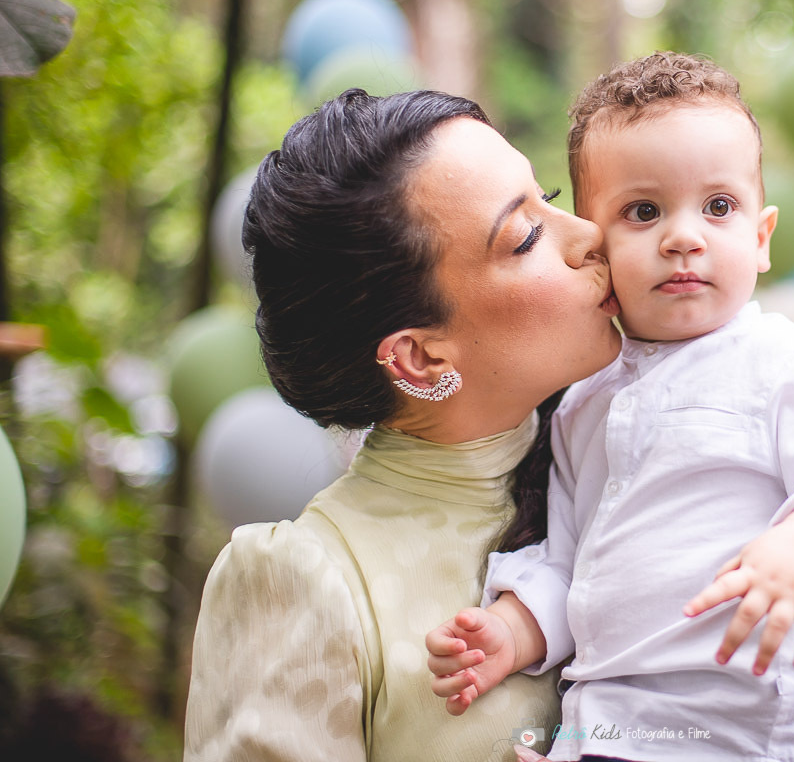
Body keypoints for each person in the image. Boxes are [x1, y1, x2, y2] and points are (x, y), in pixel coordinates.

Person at [425, 53, 794, 762]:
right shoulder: (582, 405)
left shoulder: (784, 362)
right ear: (594, 247)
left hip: (759, 719)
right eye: (644, 211)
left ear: (761, 238)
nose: (684, 235)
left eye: (718, 207)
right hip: (619, 719)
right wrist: (511, 631)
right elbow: (571, 564)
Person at [183, 89, 623, 762]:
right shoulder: (305, 581)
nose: (589, 234)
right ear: (419, 359)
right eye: (526, 237)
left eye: (551, 196)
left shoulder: (635, 452)